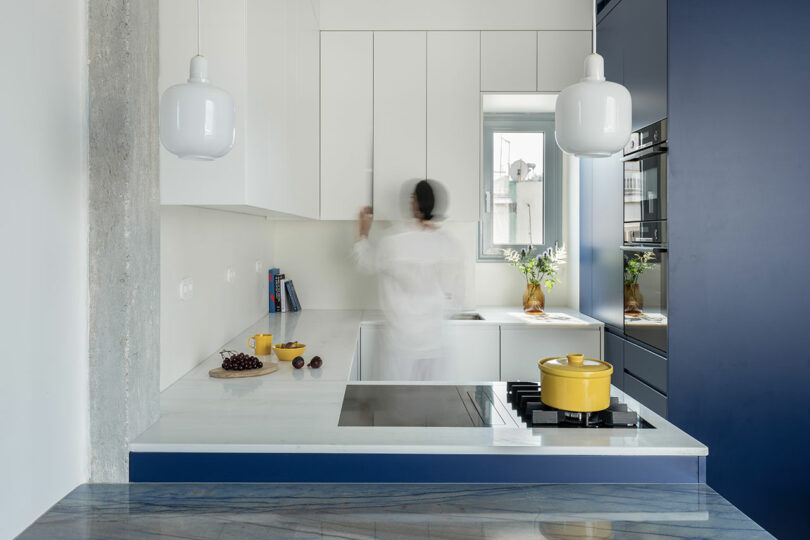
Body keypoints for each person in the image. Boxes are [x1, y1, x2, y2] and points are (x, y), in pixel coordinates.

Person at [353, 179, 464, 381]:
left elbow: (365, 263)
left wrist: (363, 232)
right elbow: (456, 298)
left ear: (415, 202)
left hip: (400, 343)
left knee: (396, 407)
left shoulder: (393, 241)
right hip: (436, 343)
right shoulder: (449, 243)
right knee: (434, 408)